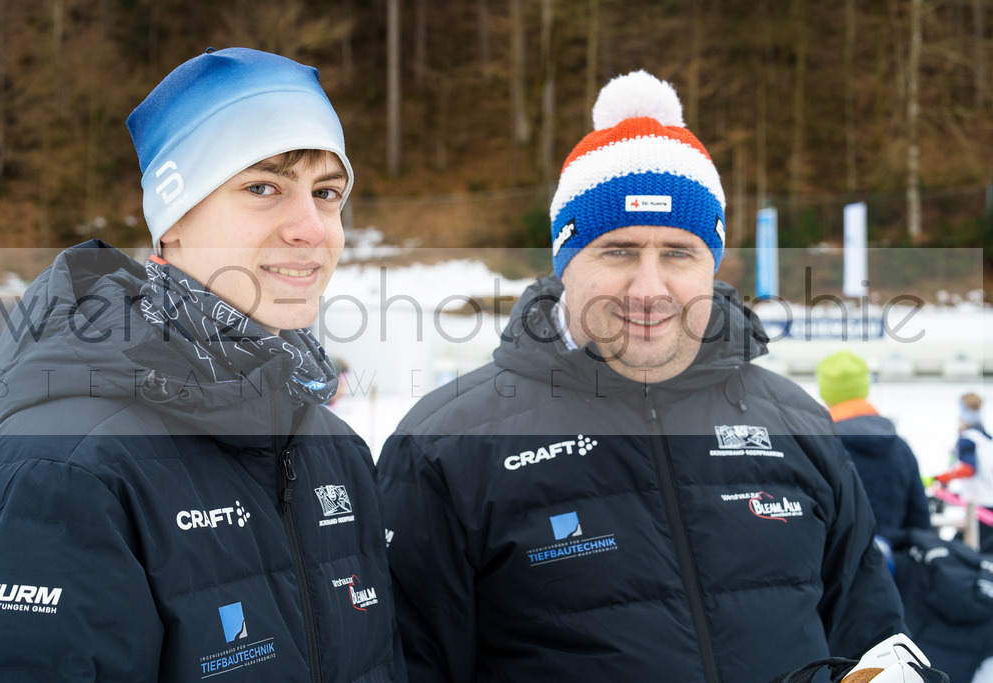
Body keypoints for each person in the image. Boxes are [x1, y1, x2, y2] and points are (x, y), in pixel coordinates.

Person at [377, 70, 912, 682]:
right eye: (619, 251)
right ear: (566, 261)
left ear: (712, 264)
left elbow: (872, 640)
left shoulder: (798, 424)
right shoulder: (446, 445)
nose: (650, 289)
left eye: (678, 253)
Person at [0, 48, 405, 682]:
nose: (312, 228)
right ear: (172, 222)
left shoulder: (335, 448)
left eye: (327, 193)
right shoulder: (60, 464)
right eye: (262, 188)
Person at [815, 349, 931, 541]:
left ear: (825, 391)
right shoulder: (899, 447)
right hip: (890, 555)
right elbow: (919, 518)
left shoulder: (818, 446)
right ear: (865, 386)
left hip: (835, 557)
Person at [935, 392, 993, 552]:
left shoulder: (968, 439)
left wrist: (940, 478)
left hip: (981, 509)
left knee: (965, 551)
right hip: (985, 506)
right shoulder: (987, 439)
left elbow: (968, 469)